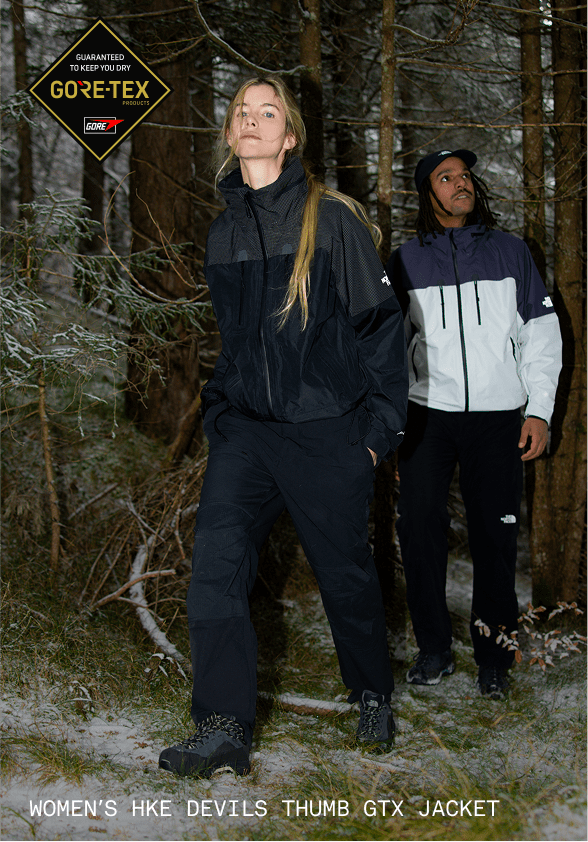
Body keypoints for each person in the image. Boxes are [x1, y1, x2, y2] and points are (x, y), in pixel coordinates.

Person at [158, 77, 408, 778]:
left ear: (290, 136)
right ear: (231, 132)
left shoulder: (331, 221)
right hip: (247, 433)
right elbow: (233, 341)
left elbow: (382, 330)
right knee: (215, 567)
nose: (253, 120)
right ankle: (222, 726)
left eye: (268, 112)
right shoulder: (224, 229)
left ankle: (370, 694)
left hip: (328, 431)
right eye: (243, 111)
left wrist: (377, 433)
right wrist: (221, 414)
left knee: (346, 577)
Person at [387, 149, 561, 699]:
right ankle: (433, 649)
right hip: (426, 416)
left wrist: (538, 410)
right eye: (446, 177)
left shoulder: (511, 251)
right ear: (427, 193)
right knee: (418, 531)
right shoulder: (403, 262)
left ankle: (494, 658)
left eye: (464, 176)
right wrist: (388, 420)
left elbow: (541, 336)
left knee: (495, 537)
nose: (461, 184)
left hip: (498, 415)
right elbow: (388, 347)